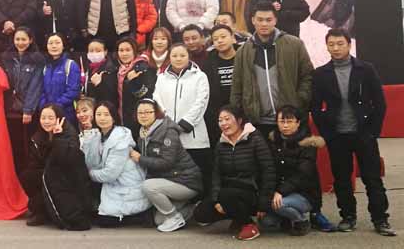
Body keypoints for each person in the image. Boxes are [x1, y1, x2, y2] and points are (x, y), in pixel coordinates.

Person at [311, 29, 395, 236]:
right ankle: (348, 216)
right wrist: (327, 133)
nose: (336, 48)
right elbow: (315, 107)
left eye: (340, 43)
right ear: (327, 46)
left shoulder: (366, 69)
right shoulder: (321, 74)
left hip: (363, 133)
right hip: (337, 135)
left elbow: (380, 103)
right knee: (341, 179)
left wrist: (373, 132)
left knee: (372, 178)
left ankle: (380, 219)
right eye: (331, 44)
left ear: (349, 45)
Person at [193, 105, 276, 241]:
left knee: (227, 195)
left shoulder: (255, 139)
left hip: (251, 191)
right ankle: (239, 218)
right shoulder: (221, 143)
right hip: (228, 192)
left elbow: (269, 171)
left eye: (227, 119)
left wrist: (264, 201)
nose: (223, 123)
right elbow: (216, 174)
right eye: (220, 120)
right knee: (201, 213)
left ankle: (248, 224)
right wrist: (216, 200)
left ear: (239, 120)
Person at [231, 3, 313, 138]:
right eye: (260, 19)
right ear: (253, 20)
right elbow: (237, 87)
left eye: (268, 20)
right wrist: (242, 115)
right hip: (258, 123)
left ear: (275, 20)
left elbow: (307, 76)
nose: (264, 24)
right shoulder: (243, 51)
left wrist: (298, 101)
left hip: (290, 120)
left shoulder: (294, 44)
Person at [132, 99, 203, 232]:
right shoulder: (143, 133)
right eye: (140, 112)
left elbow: (166, 163)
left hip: (186, 181)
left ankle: (175, 218)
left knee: (148, 186)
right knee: (159, 220)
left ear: (156, 113)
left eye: (148, 112)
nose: (143, 115)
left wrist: (140, 158)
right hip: (170, 181)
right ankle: (195, 209)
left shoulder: (167, 131)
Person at [153, 43, 212, 196]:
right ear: (169, 57)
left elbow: (201, 101)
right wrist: (169, 125)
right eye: (174, 55)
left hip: (193, 135)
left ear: (188, 56)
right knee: (175, 175)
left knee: (197, 174)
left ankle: (200, 202)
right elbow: (157, 100)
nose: (178, 59)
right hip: (168, 134)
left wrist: (185, 124)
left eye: (182, 55)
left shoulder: (199, 76)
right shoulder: (161, 78)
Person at [21, 104, 92, 230]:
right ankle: (41, 211)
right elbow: (35, 163)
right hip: (49, 173)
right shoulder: (38, 137)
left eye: (50, 118)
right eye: (43, 118)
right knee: (28, 176)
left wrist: (58, 137)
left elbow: (66, 160)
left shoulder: (69, 134)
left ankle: (58, 211)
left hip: (68, 177)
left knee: (51, 178)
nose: (46, 121)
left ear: (59, 119)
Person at [81, 101, 151, 226]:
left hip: (126, 186)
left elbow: (109, 174)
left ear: (114, 117)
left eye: (106, 114)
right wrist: (89, 138)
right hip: (111, 184)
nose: (102, 118)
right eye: (98, 114)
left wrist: (87, 174)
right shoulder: (98, 135)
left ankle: (140, 215)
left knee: (104, 222)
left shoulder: (120, 138)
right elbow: (92, 163)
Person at [261, 105, 323, 236]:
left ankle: (301, 221)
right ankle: (286, 218)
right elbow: (269, 170)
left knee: (279, 205)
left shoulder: (308, 143)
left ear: (298, 123)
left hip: (305, 193)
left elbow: (302, 175)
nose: (285, 126)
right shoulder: (273, 141)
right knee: (266, 222)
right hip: (280, 191)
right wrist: (269, 194)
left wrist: (280, 192)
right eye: (281, 121)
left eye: (289, 122)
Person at [0, 27, 43, 173]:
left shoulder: (37, 60)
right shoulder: (7, 58)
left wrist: (28, 110)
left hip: (26, 110)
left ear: (30, 40)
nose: (20, 42)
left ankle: (28, 173)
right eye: (17, 39)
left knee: (27, 143)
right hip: (10, 108)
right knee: (13, 143)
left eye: (24, 39)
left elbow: (35, 86)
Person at [114, 37, 156, 136]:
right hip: (120, 117)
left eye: (128, 50)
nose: (124, 54)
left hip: (137, 118)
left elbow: (145, 94)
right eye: (121, 50)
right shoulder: (118, 69)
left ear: (134, 51)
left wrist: (133, 81)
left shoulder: (142, 67)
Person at [203, 24, 238, 143]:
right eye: (216, 39)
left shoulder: (244, 56)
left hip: (242, 109)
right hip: (218, 112)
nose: (220, 41)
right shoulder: (208, 62)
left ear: (232, 37)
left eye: (223, 37)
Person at [40, 34, 80, 118]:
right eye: (50, 43)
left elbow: (73, 91)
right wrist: (44, 106)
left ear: (63, 46)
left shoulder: (71, 65)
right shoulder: (45, 67)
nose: (54, 46)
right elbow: (41, 90)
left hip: (66, 112)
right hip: (47, 114)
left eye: (57, 43)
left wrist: (56, 107)